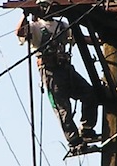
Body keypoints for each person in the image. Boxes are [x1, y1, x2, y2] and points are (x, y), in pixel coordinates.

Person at [16, 12, 104, 147]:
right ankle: (74, 140)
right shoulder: (35, 27)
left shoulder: (62, 25)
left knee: (89, 93)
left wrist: (100, 40)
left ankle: (87, 130)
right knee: (63, 108)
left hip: (66, 69)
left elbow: (81, 39)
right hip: (51, 73)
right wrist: (24, 14)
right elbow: (20, 32)